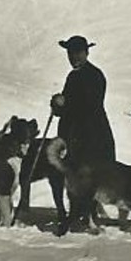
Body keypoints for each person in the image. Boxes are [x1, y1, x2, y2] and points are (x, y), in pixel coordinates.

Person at [50, 35, 115, 169]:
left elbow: (89, 108)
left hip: (92, 140)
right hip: (73, 141)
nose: (73, 57)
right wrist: (57, 105)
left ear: (87, 53)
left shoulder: (95, 75)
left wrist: (64, 104)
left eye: (78, 53)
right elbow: (66, 108)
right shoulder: (73, 76)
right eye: (70, 53)